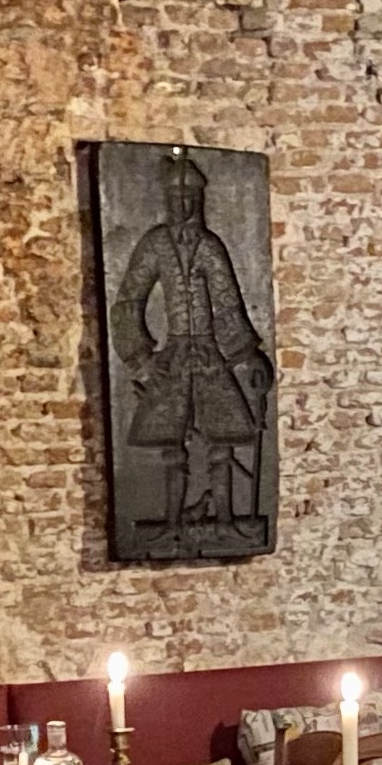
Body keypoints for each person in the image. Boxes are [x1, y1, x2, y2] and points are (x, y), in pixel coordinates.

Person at [108, 153, 273, 543]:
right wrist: (140, 359)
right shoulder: (156, 245)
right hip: (175, 354)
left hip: (211, 354)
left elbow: (227, 304)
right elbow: (128, 300)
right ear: (166, 200)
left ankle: (225, 521)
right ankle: (171, 524)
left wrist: (246, 355)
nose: (183, 206)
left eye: (190, 199)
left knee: (223, 441)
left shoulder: (209, 245)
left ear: (199, 200)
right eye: (176, 198)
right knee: (171, 442)